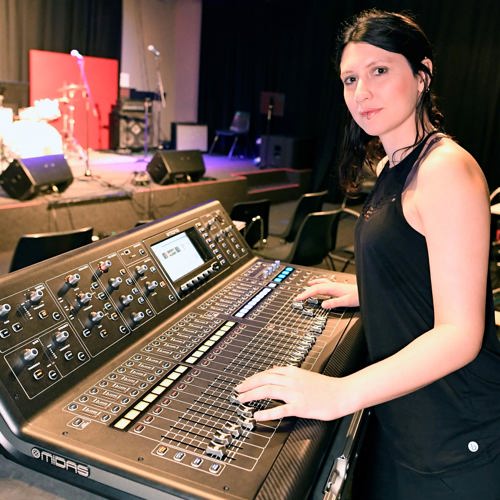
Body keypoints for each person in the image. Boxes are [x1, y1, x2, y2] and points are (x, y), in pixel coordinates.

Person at [236, 9, 500, 500]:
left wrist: (338, 393)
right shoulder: (394, 163)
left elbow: (461, 335)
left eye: (380, 71)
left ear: (421, 75)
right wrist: (370, 288)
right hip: (406, 417)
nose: (361, 93)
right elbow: (424, 261)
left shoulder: (445, 170)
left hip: (454, 432)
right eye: (349, 79)